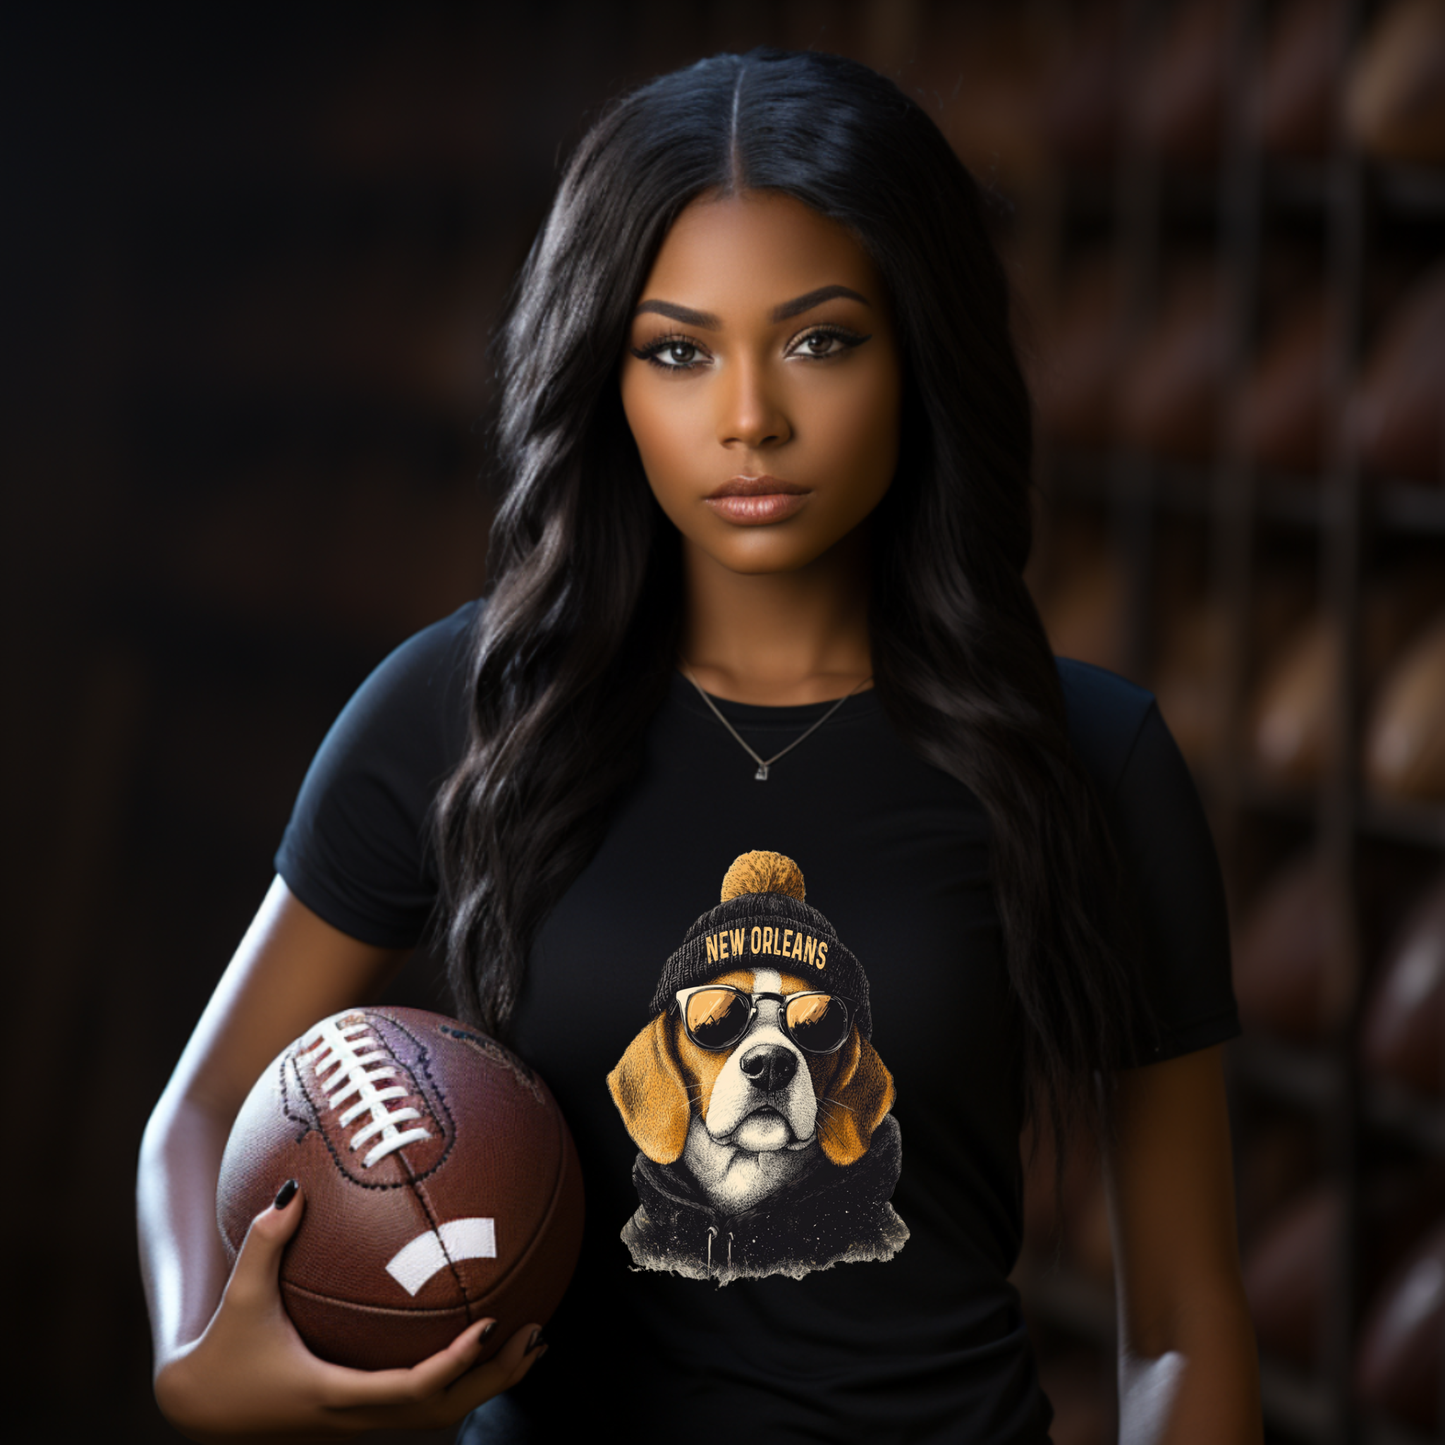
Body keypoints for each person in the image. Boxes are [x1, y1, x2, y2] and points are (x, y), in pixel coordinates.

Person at [138, 47, 1263, 1444]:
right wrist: (196, 1351)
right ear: (604, 378)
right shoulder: (467, 706)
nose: (750, 420)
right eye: (679, 351)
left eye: (819, 340)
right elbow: (204, 1109)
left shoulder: (1089, 756)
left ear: (922, 354)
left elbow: (1185, 1324)